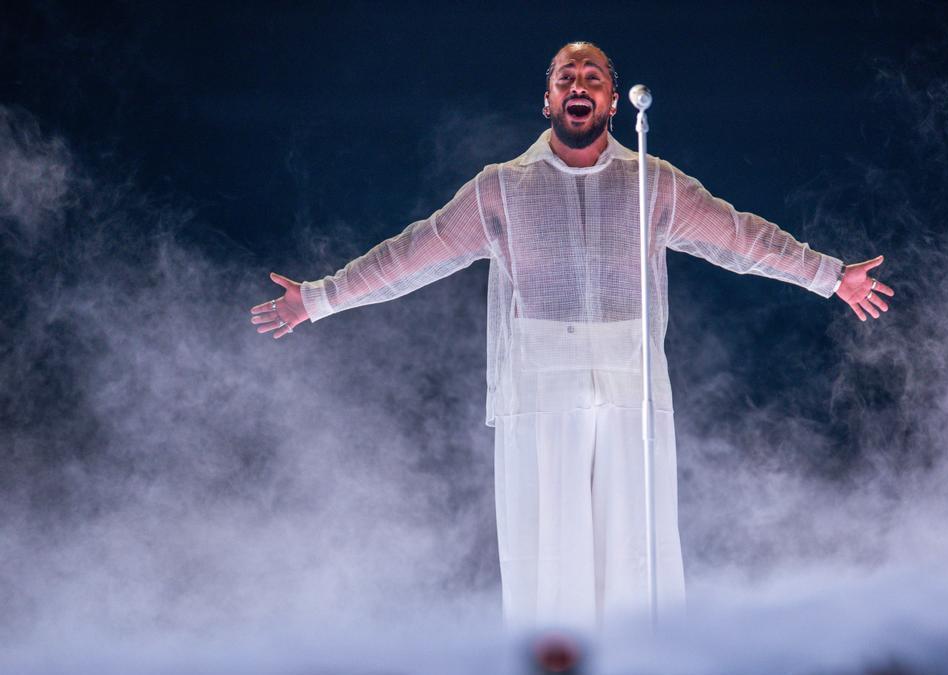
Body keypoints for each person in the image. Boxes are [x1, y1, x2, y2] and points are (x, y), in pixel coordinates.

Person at [249, 41, 894, 632]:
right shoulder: (501, 188)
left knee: (637, 559)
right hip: (539, 385)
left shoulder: (652, 182)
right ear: (549, 99)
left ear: (613, 101)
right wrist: (318, 298)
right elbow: (415, 254)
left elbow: (739, 238)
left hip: (630, 382)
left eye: (592, 77)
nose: (578, 85)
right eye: (566, 77)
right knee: (547, 560)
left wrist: (830, 277)